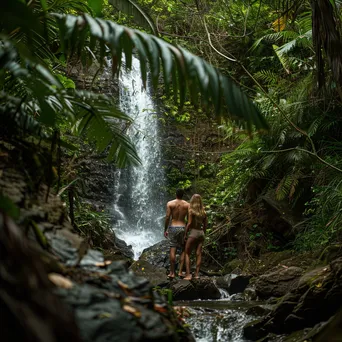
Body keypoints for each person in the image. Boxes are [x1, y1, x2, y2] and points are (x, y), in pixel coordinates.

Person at [164, 189, 190, 279]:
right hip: (182, 227)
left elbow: (167, 217)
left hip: (173, 227)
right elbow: (189, 220)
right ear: (183, 195)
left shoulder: (170, 203)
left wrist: (165, 229)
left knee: (173, 249)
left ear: (176, 194)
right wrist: (186, 232)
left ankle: (172, 273)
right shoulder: (187, 205)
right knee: (183, 249)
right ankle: (180, 272)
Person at [184, 194, 207, 280]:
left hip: (193, 232)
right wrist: (203, 234)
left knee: (187, 253)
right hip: (201, 233)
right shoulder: (203, 211)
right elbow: (205, 225)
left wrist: (185, 233)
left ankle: (188, 274)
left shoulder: (191, 211)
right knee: (198, 254)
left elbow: (189, 224)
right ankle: (197, 274)